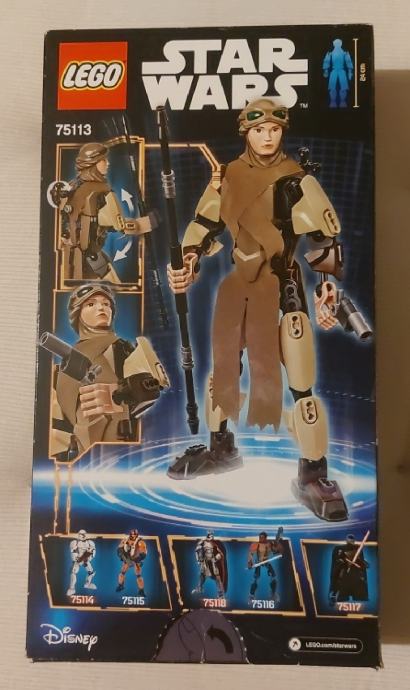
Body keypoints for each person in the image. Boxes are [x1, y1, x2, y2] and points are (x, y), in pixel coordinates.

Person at [167, 97, 348, 522]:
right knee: (223, 369)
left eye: (274, 129)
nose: (267, 137)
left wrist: (327, 290)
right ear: (245, 132)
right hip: (240, 286)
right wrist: (188, 261)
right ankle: (221, 449)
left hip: (284, 288)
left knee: (301, 382)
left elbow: (324, 240)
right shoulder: (227, 176)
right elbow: (204, 225)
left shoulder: (296, 179)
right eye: (258, 129)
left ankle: (313, 473)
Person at [51, 282, 169, 460]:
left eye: (106, 304)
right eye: (91, 304)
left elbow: (154, 387)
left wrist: (119, 393)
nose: (101, 308)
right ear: (77, 314)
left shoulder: (124, 349)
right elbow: (60, 419)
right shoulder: (67, 363)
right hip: (84, 448)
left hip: (120, 439)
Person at [51, 142, 155, 283]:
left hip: (69, 258)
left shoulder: (71, 186)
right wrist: (150, 222)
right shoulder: (102, 192)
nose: (108, 163)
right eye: (103, 160)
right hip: (92, 259)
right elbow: (121, 225)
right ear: (93, 162)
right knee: (116, 289)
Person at [329, 534, 369, 604]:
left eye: (352, 540)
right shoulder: (338, 549)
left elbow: (362, 565)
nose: (351, 542)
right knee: (341, 589)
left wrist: (363, 565)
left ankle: (356, 595)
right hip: (343, 576)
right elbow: (336, 564)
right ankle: (337, 595)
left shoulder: (358, 549)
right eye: (350, 540)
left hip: (355, 577)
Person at [247, 530, 284, 602]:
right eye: (260, 537)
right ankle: (251, 595)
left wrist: (277, 545)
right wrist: (249, 562)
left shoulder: (269, 544)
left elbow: (276, 551)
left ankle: (273, 594)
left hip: (266, 562)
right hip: (258, 562)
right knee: (255, 579)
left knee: (273, 577)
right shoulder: (256, 544)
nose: (261, 538)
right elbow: (250, 553)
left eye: (262, 537)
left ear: (265, 538)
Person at [193, 531, 227, 598]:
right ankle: (199, 588)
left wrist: (216, 557)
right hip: (205, 562)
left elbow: (220, 553)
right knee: (202, 575)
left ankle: (220, 593)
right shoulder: (202, 542)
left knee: (217, 577)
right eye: (210, 535)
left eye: (211, 535)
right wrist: (199, 560)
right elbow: (197, 551)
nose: (211, 537)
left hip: (213, 561)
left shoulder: (215, 543)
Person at [116, 529, 147, 595]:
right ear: (130, 534)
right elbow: (119, 550)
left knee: (138, 575)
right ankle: (120, 585)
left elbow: (143, 553)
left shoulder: (140, 542)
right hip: (127, 559)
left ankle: (141, 590)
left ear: (137, 535)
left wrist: (138, 560)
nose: (133, 536)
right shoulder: (125, 540)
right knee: (122, 572)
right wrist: (124, 558)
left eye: (135, 534)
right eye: (132, 534)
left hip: (136, 559)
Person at [67, 529, 96, 596]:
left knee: (91, 572)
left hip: (86, 559)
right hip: (78, 559)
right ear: (78, 535)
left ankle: (87, 584)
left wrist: (89, 558)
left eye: (83, 534)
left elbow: (93, 552)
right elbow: (73, 552)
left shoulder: (90, 542)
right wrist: (76, 559)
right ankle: (72, 588)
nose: (82, 536)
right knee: (73, 572)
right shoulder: (74, 542)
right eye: (81, 534)